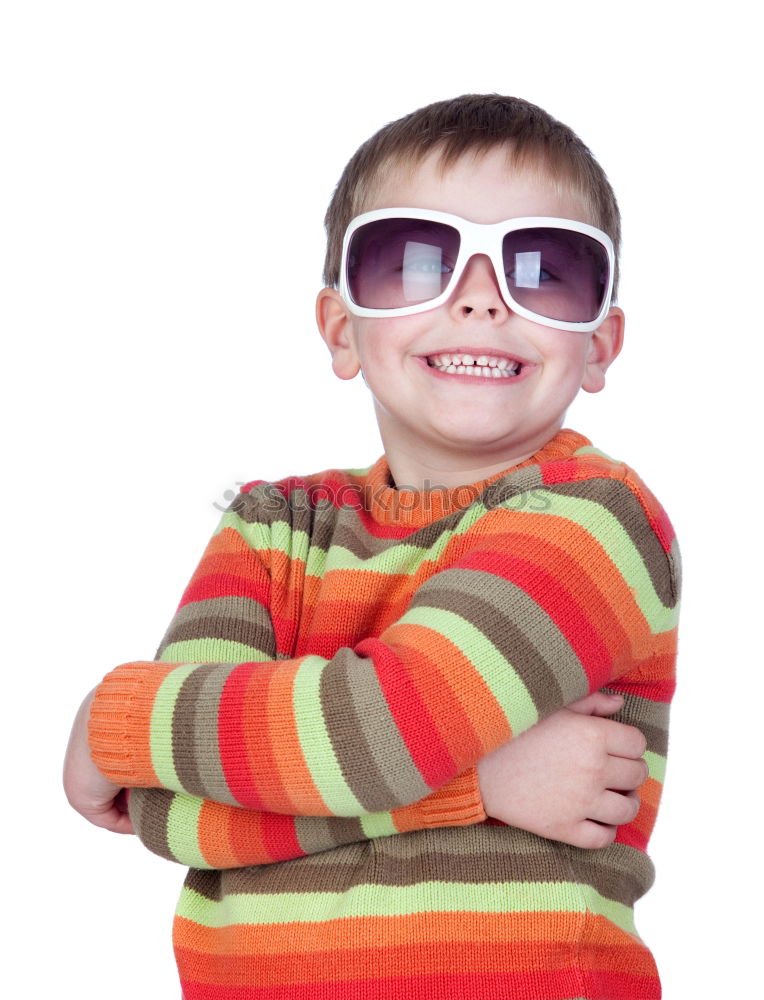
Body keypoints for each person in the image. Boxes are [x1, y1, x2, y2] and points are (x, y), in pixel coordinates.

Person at [64, 94, 680, 999]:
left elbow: (389, 728)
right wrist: (477, 789)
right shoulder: (269, 526)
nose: (479, 297)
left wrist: (117, 718)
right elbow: (169, 809)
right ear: (341, 328)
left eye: (542, 266)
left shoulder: (594, 518)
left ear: (599, 345)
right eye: (415, 260)